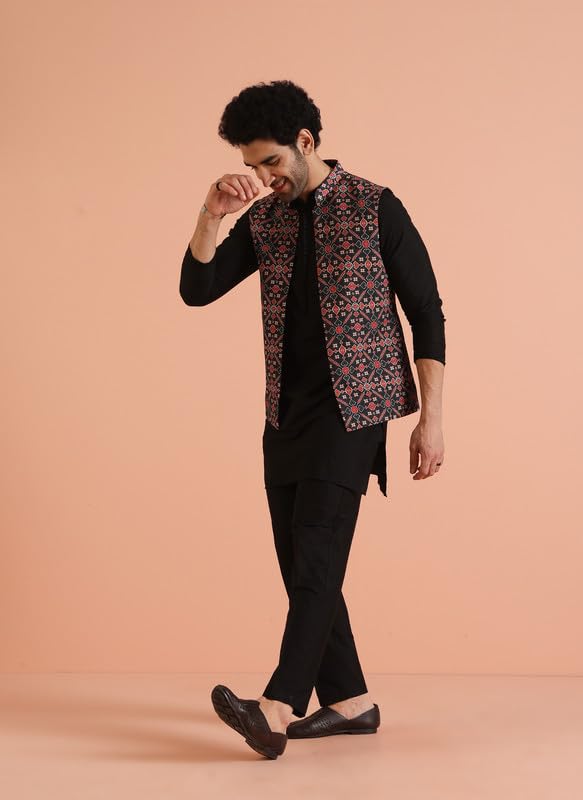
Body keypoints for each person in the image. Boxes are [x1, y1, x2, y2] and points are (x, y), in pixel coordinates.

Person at [179, 80, 446, 759]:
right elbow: (197, 289)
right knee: (301, 561)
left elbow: (427, 311)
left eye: (271, 161)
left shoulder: (374, 205)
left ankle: (276, 707)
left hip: (354, 410)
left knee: (317, 557)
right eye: (251, 165)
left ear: (305, 142)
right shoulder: (265, 220)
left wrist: (431, 419)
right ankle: (351, 700)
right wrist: (213, 213)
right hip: (285, 413)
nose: (263, 177)